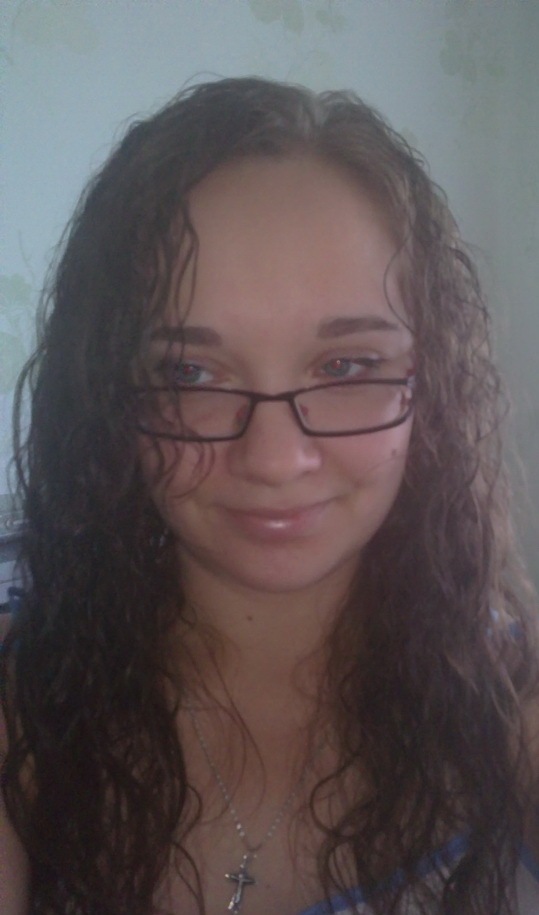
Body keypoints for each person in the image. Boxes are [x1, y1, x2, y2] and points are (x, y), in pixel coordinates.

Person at [0, 76, 538, 915]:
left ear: (430, 382)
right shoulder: (24, 706)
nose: (275, 459)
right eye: (190, 373)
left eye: (346, 365)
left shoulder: (511, 700)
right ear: (107, 394)